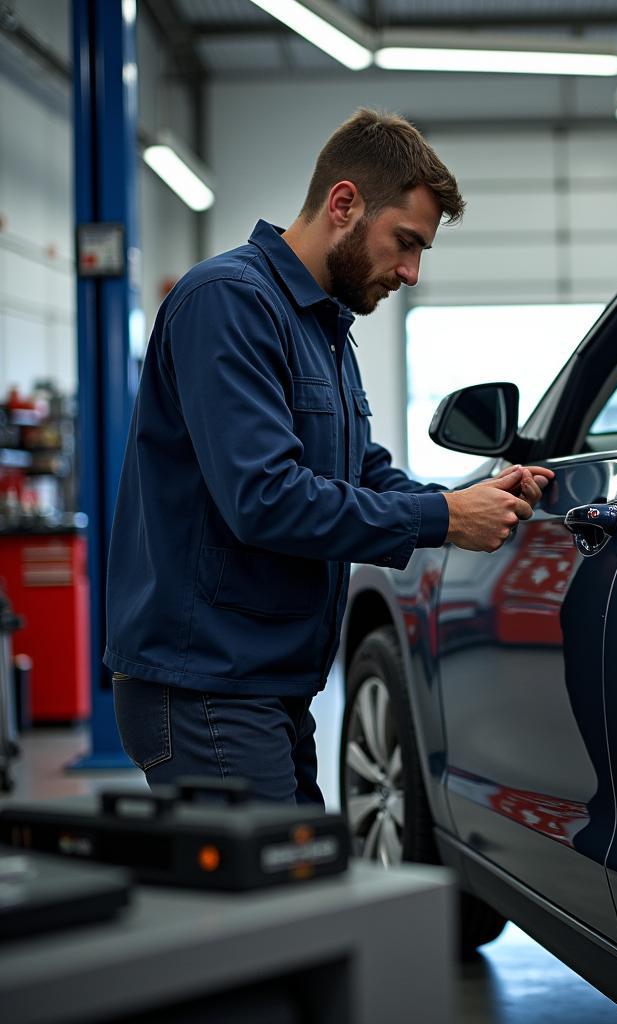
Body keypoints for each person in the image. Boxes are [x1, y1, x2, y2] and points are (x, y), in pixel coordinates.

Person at [104, 108, 554, 804]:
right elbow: (265, 498)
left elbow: (362, 471)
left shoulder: (323, 329)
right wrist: (442, 518)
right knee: (274, 906)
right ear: (344, 204)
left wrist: (478, 497)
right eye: (404, 242)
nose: (408, 272)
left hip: (265, 680)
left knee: (301, 893)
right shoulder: (229, 302)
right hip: (206, 684)